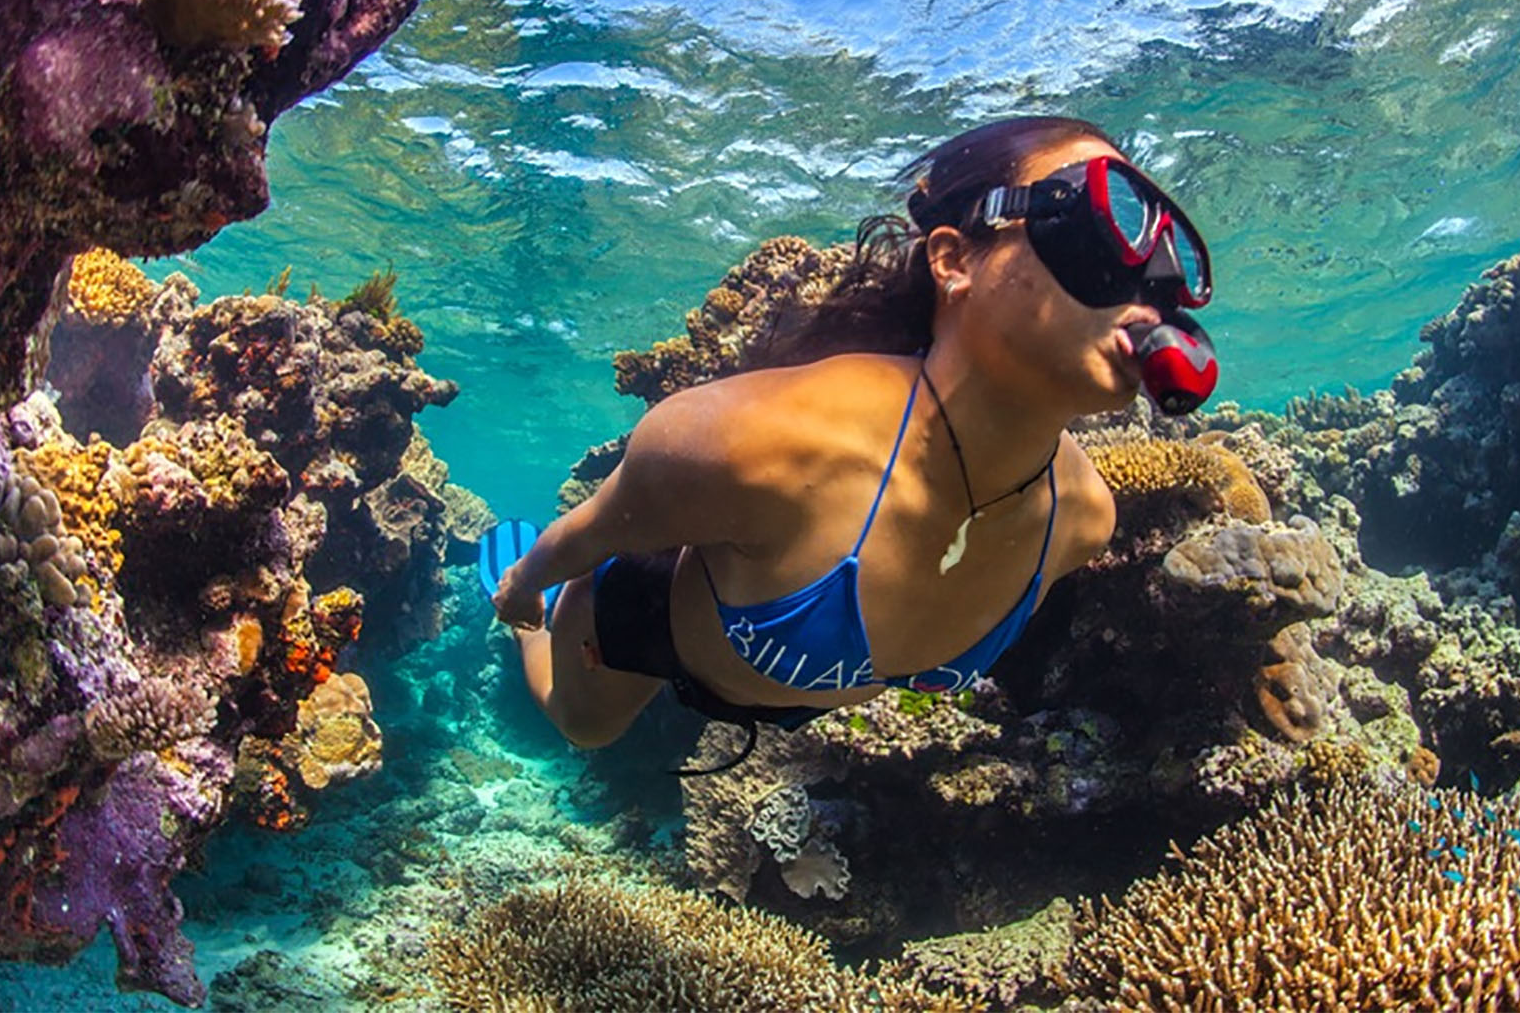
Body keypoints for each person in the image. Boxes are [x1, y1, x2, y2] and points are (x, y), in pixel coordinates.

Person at [490, 116, 1214, 770]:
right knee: (584, 728)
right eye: (1094, 228)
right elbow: (590, 532)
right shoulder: (751, 441)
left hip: (785, 693)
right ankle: (520, 608)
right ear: (954, 260)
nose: (1146, 288)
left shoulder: (1083, 521)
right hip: (652, 617)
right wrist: (522, 589)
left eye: (1165, 264)